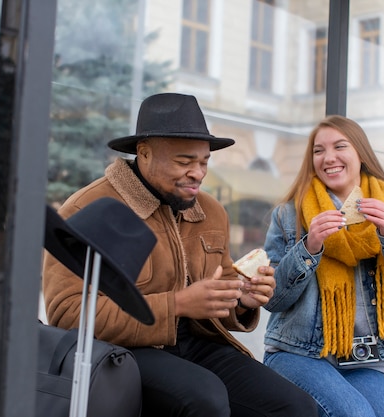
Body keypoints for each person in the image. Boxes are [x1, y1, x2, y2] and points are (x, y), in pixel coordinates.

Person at [42, 93, 317, 417]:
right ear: (143, 153)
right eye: (184, 162)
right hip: (122, 352)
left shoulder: (211, 211)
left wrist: (242, 297)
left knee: (296, 407)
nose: (198, 173)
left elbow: (221, 285)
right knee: (204, 398)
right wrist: (177, 305)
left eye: (203, 163)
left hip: (199, 344)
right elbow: (67, 313)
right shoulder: (89, 207)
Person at [262, 115, 384, 417]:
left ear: (361, 154)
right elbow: (273, 299)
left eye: (339, 146)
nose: (328, 158)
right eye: (318, 150)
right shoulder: (289, 215)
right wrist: (309, 246)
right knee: (355, 413)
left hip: (358, 360)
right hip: (296, 353)